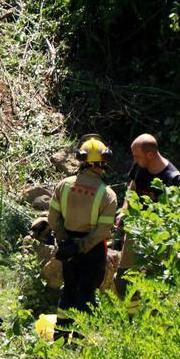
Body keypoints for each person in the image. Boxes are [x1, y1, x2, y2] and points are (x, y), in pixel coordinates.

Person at [48, 135, 118, 319]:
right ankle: (81, 339)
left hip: (67, 246)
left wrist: (66, 242)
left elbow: (53, 218)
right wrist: (82, 247)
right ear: (102, 162)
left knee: (69, 290)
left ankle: (61, 334)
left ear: (81, 160)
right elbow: (103, 231)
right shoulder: (108, 194)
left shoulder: (63, 185)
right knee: (87, 293)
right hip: (93, 251)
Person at [116, 134, 180, 271]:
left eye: (137, 156)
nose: (134, 159)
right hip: (135, 228)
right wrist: (124, 210)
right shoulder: (140, 165)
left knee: (151, 279)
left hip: (158, 237)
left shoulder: (172, 179)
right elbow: (132, 186)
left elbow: (175, 215)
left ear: (150, 154)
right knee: (123, 276)